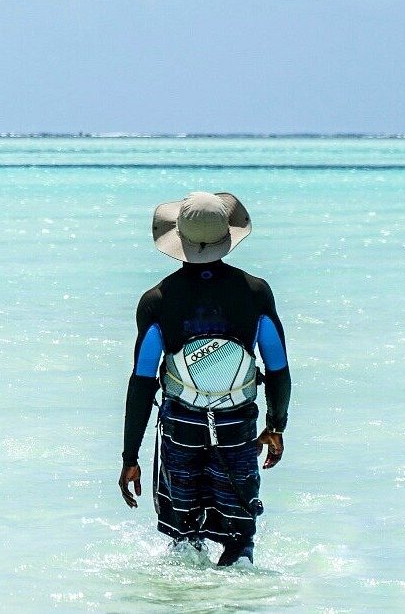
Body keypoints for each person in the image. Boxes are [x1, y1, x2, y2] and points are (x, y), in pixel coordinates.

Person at [119, 192, 290, 567]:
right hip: (237, 425)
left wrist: (130, 456)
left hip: (182, 426)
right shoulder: (255, 292)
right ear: (227, 236)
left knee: (184, 537)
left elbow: (143, 380)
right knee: (240, 535)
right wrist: (276, 425)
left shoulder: (158, 300)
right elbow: (277, 367)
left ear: (178, 239)